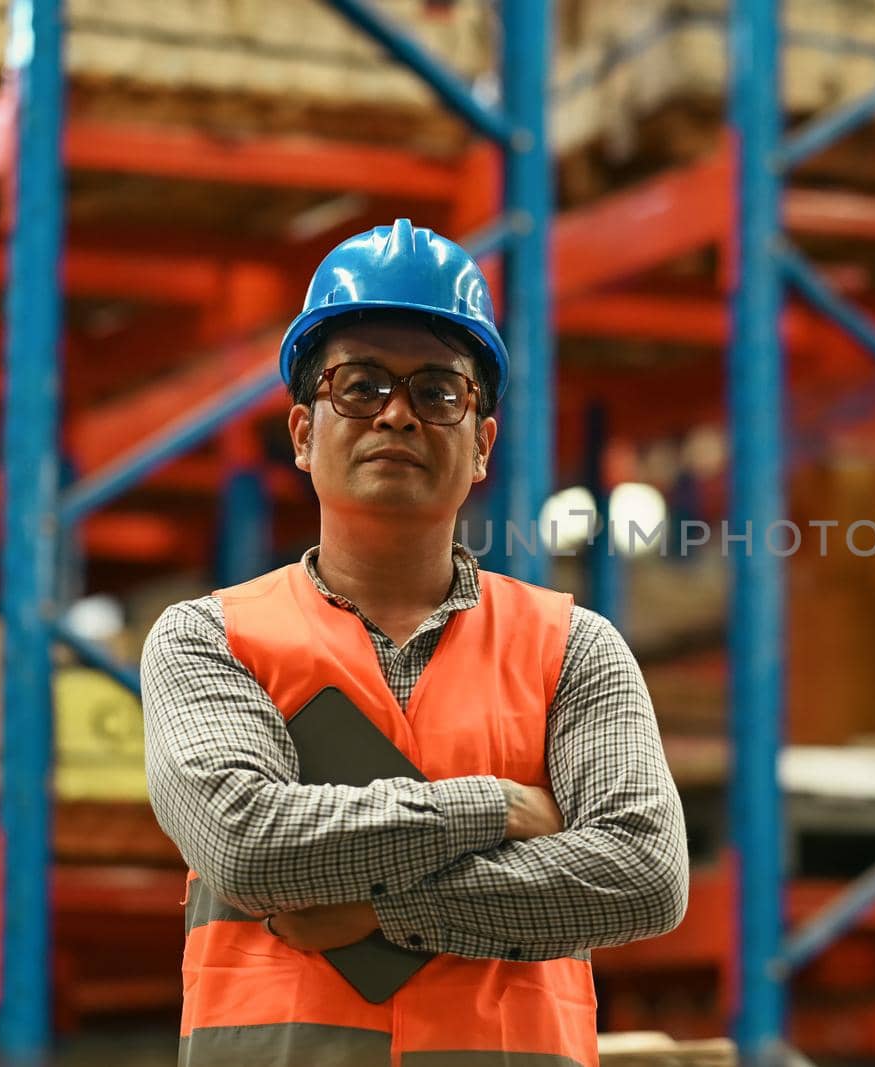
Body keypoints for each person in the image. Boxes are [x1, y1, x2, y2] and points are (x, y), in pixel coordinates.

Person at [141, 220, 689, 1065]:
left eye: (438, 391)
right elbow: (246, 844)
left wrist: (379, 910)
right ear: (300, 432)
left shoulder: (574, 648)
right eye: (359, 385)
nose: (397, 413)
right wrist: (499, 807)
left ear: (482, 446)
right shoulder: (212, 639)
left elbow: (644, 876)